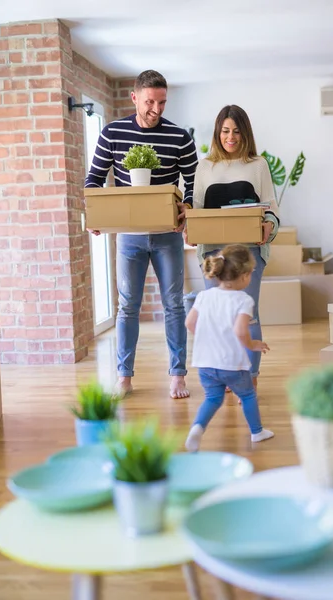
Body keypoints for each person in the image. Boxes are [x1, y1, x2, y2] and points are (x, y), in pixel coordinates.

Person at [85, 70, 198, 399]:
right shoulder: (112, 132)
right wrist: (95, 215)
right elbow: (94, 178)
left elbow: (193, 183)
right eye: (150, 101)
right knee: (127, 307)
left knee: (174, 305)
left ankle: (178, 374)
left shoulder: (179, 137)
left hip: (167, 235)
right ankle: (124, 376)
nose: (157, 108)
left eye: (162, 102)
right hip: (129, 237)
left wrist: (187, 207)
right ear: (134, 97)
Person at [188, 104, 279, 392]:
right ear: (218, 132)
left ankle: (249, 379)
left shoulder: (258, 164)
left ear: (245, 133)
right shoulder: (205, 166)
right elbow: (197, 209)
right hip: (213, 254)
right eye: (226, 131)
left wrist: (269, 225)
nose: (231, 137)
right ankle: (229, 374)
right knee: (218, 316)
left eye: (237, 131)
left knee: (247, 314)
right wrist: (190, 229)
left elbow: (271, 206)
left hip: (249, 252)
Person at [184, 245, 274, 452]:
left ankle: (197, 429)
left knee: (213, 398)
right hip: (231, 363)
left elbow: (189, 323)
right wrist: (253, 345)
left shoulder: (204, 296)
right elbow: (241, 331)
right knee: (248, 395)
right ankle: (257, 432)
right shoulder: (243, 300)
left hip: (205, 362)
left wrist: (208, 338)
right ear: (243, 276)